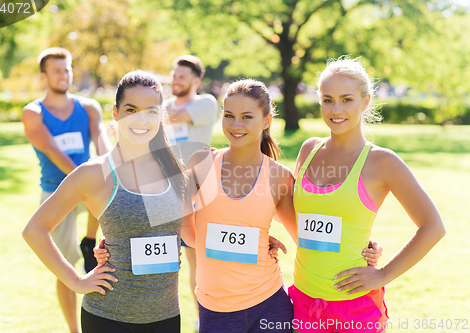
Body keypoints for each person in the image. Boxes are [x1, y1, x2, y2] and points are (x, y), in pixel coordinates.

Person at [95, 79, 382, 333]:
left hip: (269, 304)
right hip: (214, 309)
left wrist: (362, 249)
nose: (236, 125)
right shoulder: (201, 163)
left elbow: (307, 236)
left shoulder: (279, 178)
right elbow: (169, 220)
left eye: (247, 117)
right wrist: (116, 242)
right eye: (229, 116)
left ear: (266, 120)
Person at [23, 70, 194, 333]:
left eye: (151, 110)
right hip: (109, 316)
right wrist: (77, 281)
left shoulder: (176, 170)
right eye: (131, 109)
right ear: (115, 112)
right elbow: (34, 230)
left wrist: (263, 239)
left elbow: (190, 233)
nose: (141, 119)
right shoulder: (93, 173)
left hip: (167, 317)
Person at [289, 57, 445, 332]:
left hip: (354, 307)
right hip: (303, 300)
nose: (335, 109)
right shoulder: (308, 149)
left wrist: (383, 274)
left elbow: (433, 227)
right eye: (327, 99)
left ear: (366, 101)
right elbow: (304, 219)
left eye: (346, 99)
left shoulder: (382, 162)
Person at [21, 47, 111, 332]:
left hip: (92, 189)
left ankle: (89, 240)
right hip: (56, 193)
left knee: (106, 250)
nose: (64, 74)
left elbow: (103, 145)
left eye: (68, 68)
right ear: (44, 75)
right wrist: (89, 178)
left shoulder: (89, 107)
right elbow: (54, 152)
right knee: (65, 268)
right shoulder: (33, 113)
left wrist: (109, 171)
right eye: (57, 70)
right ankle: (74, 330)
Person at [164, 55, 218, 331]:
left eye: (182, 77)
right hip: (163, 190)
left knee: (198, 261)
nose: (176, 81)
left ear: (196, 81)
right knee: (164, 259)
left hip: (197, 190)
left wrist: (140, 114)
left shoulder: (205, 103)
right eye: (174, 75)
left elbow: (168, 117)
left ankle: (202, 321)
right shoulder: (161, 107)